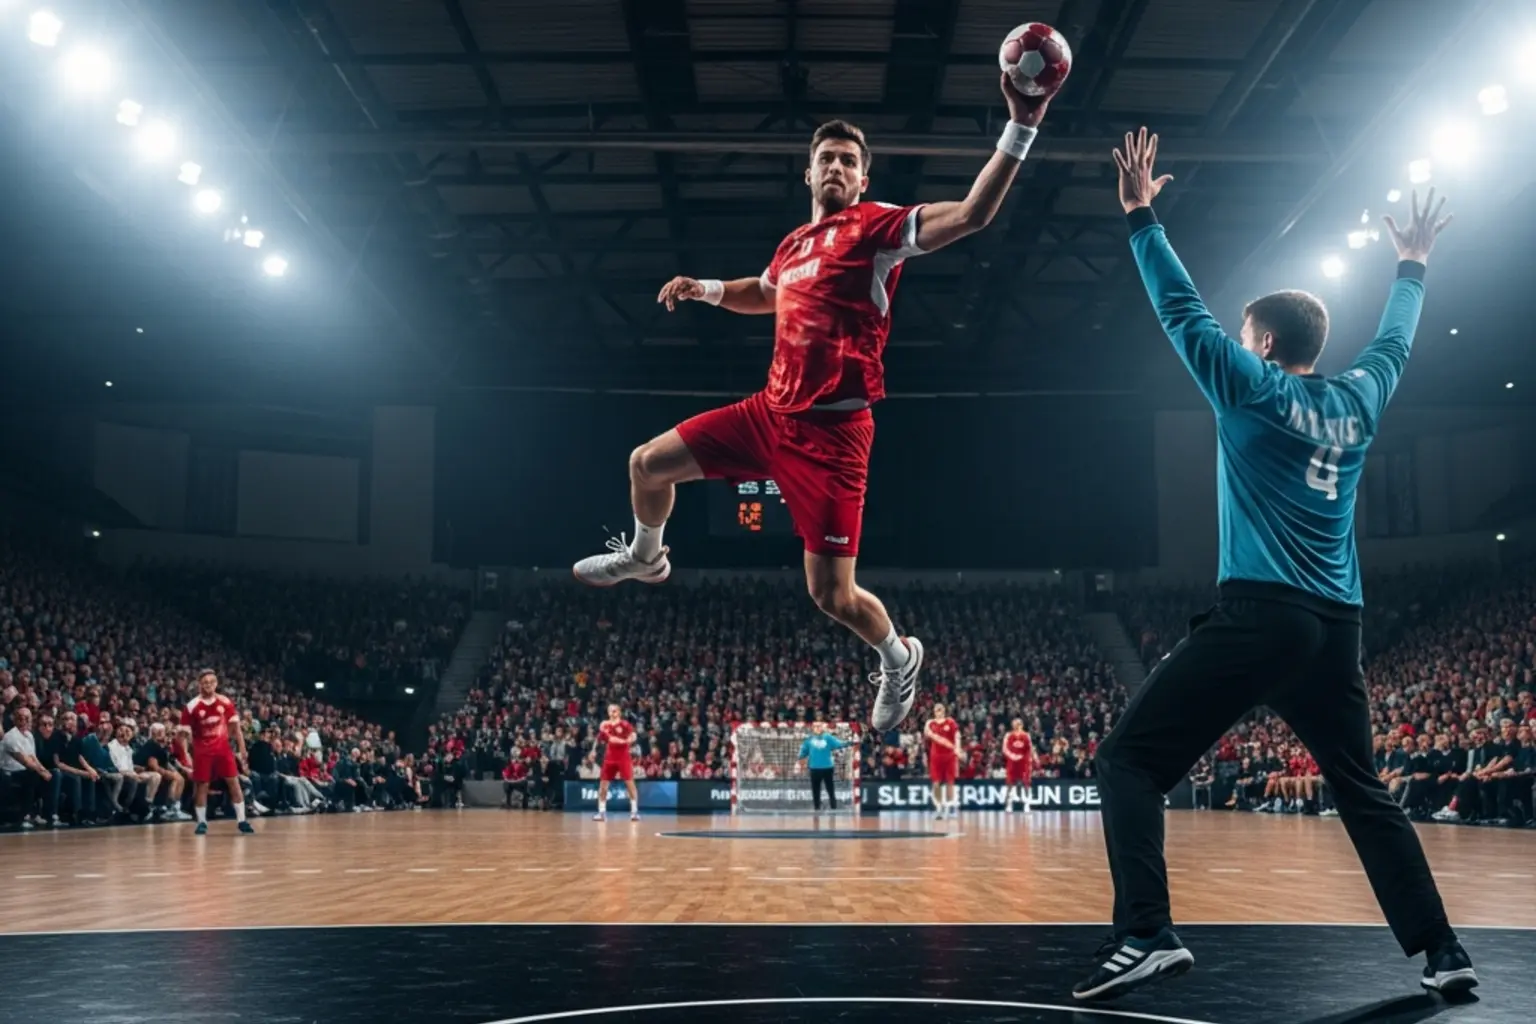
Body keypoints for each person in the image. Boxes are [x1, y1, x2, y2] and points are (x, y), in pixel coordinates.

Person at [1074, 128, 1471, 1001]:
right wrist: (1411, 267)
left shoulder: (1251, 388)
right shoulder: (1359, 399)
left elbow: (1181, 310)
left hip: (1261, 615)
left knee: (1127, 764)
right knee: (1363, 791)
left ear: (1258, 345)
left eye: (1243, 333)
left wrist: (1141, 217)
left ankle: (1144, 933)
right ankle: (1443, 951)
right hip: (1337, 629)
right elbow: (1395, 344)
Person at [572, 76, 1054, 735]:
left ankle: (899, 656)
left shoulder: (878, 228)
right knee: (646, 464)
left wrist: (1023, 123)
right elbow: (764, 291)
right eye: (826, 157)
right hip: (767, 415)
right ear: (808, 173)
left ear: (862, 179)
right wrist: (705, 287)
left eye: (848, 161)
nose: (836, 166)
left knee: (832, 596)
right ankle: (645, 557)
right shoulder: (794, 243)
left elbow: (971, 214)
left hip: (833, 437)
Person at [180, 669, 255, 835]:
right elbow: (183, 734)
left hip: (223, 750)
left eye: (211, 682)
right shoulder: (192, 706)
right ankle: (201, 822)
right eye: (205, 682)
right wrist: (186, 755)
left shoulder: (225, 702)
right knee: (202, 785)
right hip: (202, 751)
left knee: (233, 782)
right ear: (200, 684)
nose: (208, 685)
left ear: (216, 684)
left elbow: (236, 728)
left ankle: (242, 820)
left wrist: (242, 749)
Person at [593, 704, 639, 822]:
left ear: (619, 712)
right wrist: (593, 750)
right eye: (610, 711)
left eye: (614, 711)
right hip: (609, 758)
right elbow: (604, 739)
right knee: (603, 786)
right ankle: (601, 813)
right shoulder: (604, 725)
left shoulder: (625, 724)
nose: (612, 713)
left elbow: (633, 735)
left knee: (630, 784)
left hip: (623, 757)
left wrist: (630, 739)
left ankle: (634, 812)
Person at [795, 720, 849, 813]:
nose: (818, 728)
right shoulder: (809, 739)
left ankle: (833, 808)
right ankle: (817, 808)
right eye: (816, 726)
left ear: (822, 727)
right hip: (814, 768)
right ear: (813, 728)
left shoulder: (828, 737)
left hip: (827, 768)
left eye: (819, 726)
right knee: (815, 790)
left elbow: (839, 744)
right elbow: (803, 751)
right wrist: (800, 758)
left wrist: (849, 743)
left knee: (830, 789)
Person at [924, 704, 959, 820]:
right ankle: (938, 808)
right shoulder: (930, 723)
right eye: (936, 710)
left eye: (941, 709)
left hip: (949, 756)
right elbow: (926, 734)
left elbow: (957, 735)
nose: (939, 711)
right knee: (936, 783)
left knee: (950, 782)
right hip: (936, 757)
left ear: (944, 711)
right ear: (934, 711)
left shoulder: (950, 722)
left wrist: (958, 748)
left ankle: (950, 806)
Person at [1002, 718, 1034, 813]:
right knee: (1010, 784)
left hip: (1023, 763)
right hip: (1012, 762)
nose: (1016, 726)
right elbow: (1004, 749)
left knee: (1026, 783)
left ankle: (1027, 804)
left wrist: (1026, 758)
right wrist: (1012, 755)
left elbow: (1029, 749)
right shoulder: (1008, 735)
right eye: (1014, 724)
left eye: (1018, 724)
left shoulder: (1026, 735)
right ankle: (1009, 804)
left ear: (1021, 725)